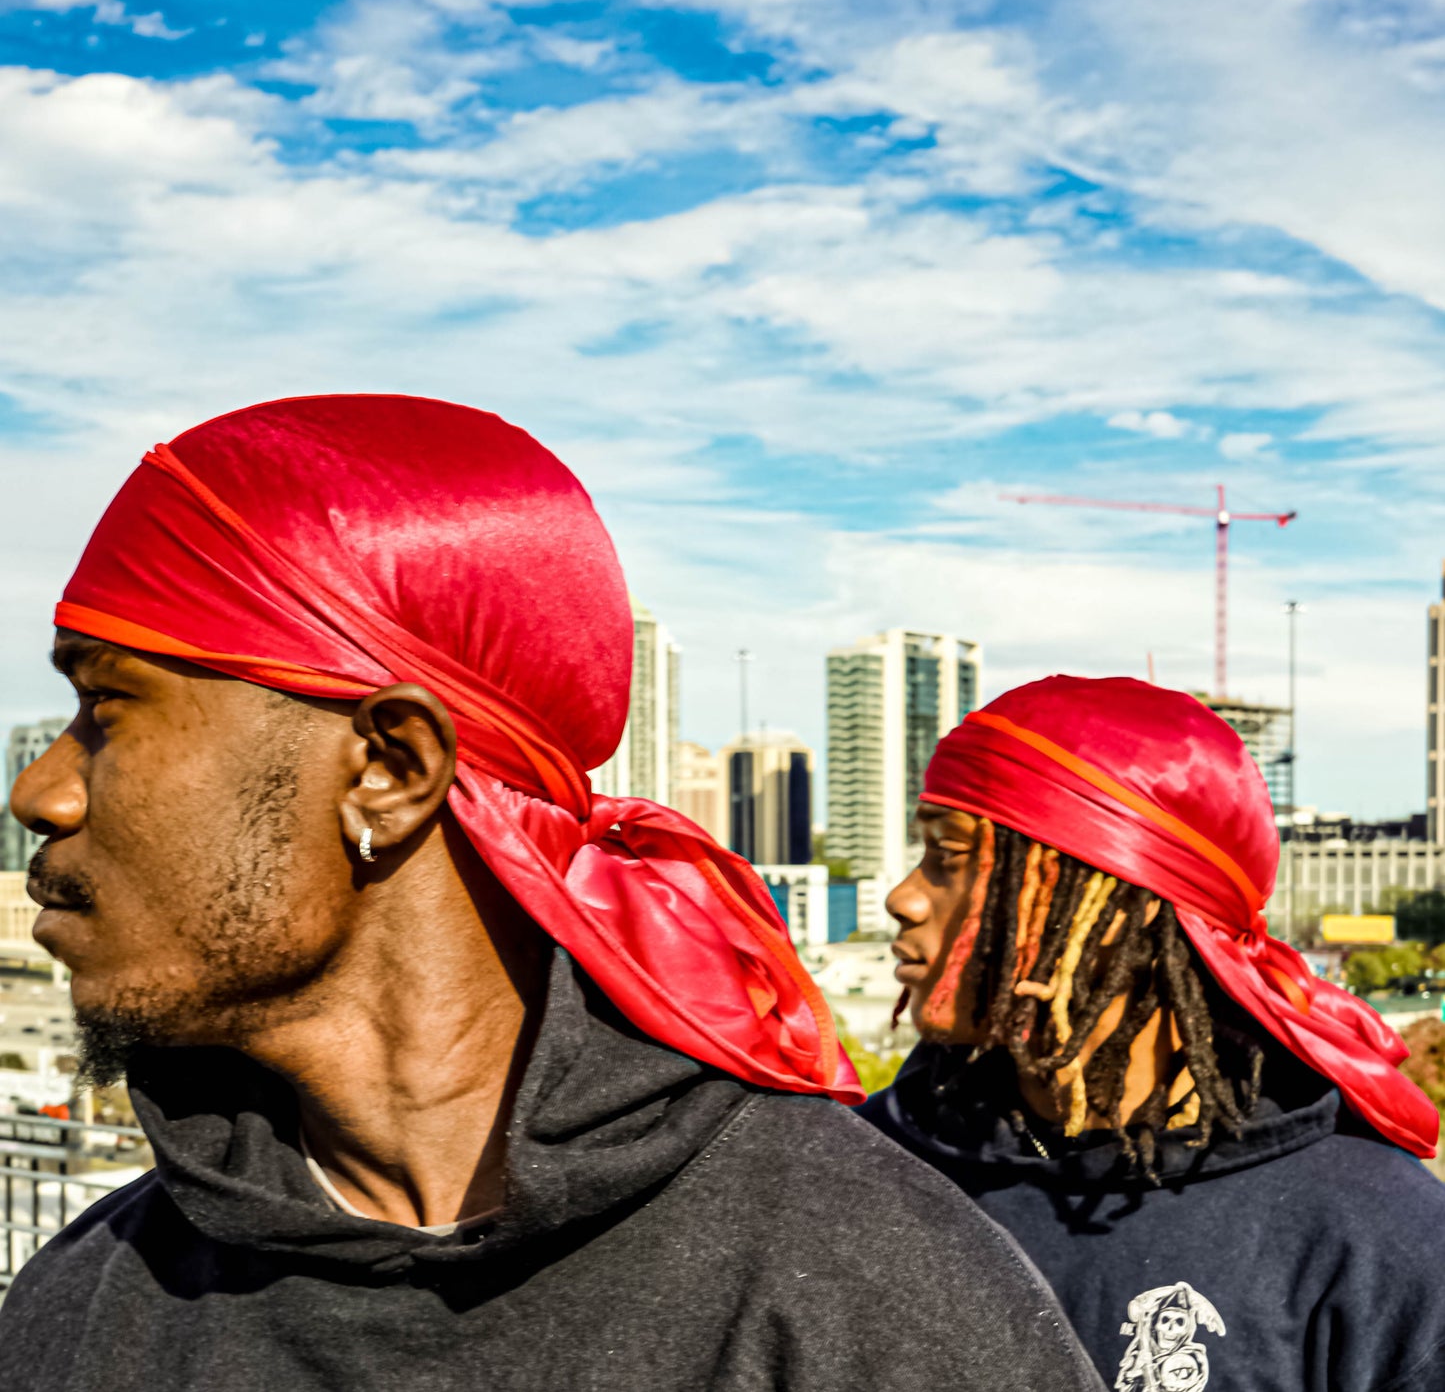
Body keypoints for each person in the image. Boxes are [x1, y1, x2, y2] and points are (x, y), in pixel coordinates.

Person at [1, 395, 1101, 1392]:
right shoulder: (83, 1309)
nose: (40, 791)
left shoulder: (865, 1305)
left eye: (109, 703)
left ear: (387, 767)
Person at [861, 674, 1445, 1392]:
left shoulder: (1376, 1238)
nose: (902, 896)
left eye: (948, 857)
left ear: (1117, 906)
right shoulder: (861, 1171)